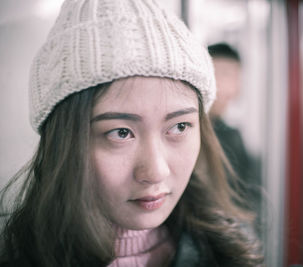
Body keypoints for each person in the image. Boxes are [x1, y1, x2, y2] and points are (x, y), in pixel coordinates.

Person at [0, 0, 264, 266]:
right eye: (121, 133)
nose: (155, 172)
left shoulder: (231, 249)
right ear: (64, 142)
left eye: (179, 127)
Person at [208, 43, 262, 214]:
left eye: (234, 77)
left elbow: (246, 200)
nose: (227, 86)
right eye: (220, 74)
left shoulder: (231, 136)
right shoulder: (189, 135)